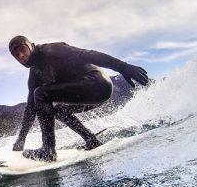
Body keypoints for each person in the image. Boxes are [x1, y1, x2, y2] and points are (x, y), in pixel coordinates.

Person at [9, 35, 149, 161]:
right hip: (89, 93)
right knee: (58, 110)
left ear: (31, 45)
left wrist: (123, 67)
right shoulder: (34, 75)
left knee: (41, 93)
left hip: (97, 83)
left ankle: (48, 151)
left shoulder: (51, 50)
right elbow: (31, 107)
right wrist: (21, 139)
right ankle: (91, 140)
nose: (21, 56)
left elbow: (89, 55)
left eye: (23, 49)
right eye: (16, 55)